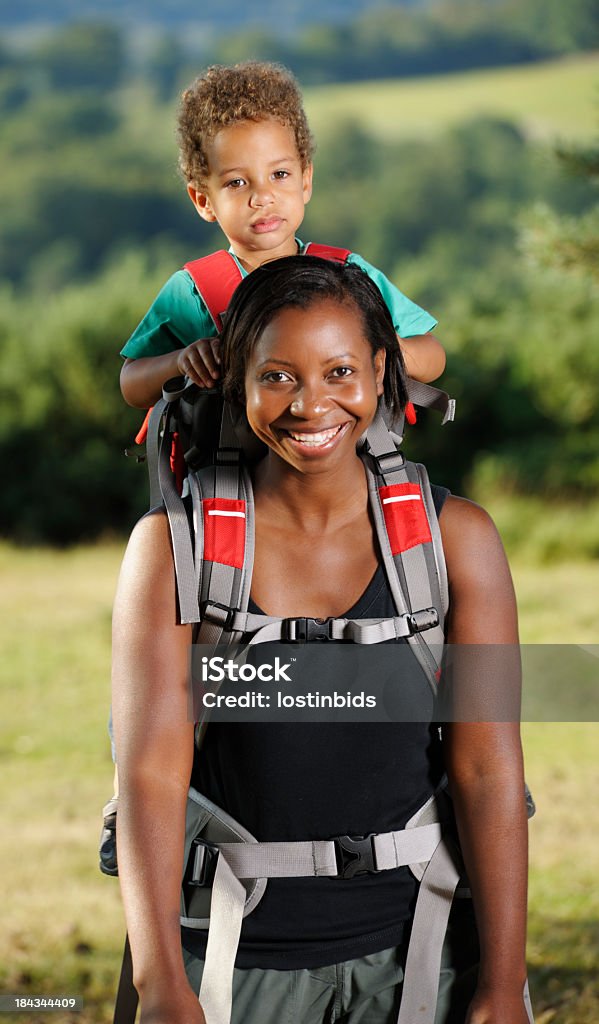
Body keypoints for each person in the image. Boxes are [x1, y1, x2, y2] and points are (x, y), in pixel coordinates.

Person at [112, 256, 532, 1024]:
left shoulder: (455, 540)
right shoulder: (176, 549)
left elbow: (488, 768)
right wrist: (160, 986)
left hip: (423, 956)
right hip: (233, 964)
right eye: (277, 376)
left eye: (340, 370)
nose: (311, 405)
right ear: (236, 379)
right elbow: (149, 777)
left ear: (381, 370)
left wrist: (502, 986)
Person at [118, 60, 446, 409]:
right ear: (203, 200)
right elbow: (131, 384)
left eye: (280, 174)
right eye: (237, 182)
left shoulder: (349, 274)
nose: (262, 197)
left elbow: (433, 356)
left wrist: (383, 350)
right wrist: (180, 360)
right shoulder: (193, 292)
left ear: (305, 180)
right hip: (230, 463)